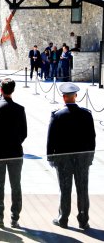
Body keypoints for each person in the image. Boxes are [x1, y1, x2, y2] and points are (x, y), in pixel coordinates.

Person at [47, 83, 95, 230]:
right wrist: (90, 157)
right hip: (82, 159)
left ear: (64, 97)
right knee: (82, 190)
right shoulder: (86, 114)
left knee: (65, 189)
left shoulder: (57, 115)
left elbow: (51, 139)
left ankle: (63, 219)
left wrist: (50, 157)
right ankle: (83, 220)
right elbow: (92, 138)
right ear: (76, 96)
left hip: (63, 159)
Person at [0, 78, 27, 228]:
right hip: (15, 151)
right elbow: (24, 133)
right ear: (13, 90)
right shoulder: (20, 109)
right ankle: (15, 217)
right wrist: (15, 143)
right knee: (16, 185)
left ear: (0, 90)